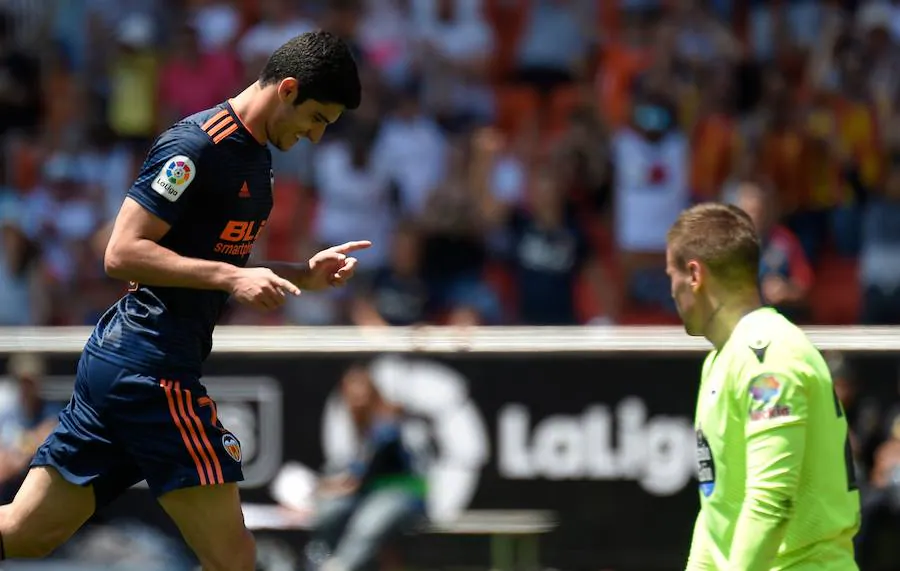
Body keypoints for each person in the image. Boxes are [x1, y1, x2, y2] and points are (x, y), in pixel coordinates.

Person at [0, 31, 364, 571]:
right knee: (234, 560)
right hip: (151, 371)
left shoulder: (256, 158)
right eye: (317, 120)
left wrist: (301, 276)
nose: (314, 136)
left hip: (126, 368)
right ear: (287, 89)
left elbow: (215, 263)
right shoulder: (196, 146)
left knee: (24, 533)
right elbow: (121, 252)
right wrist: (229, 278)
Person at [666, 203, 860, 571]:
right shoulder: (721, 361)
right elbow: (716, 509)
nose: (670, 291)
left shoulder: (768, 355)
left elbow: (771, 502)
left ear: (694, 274)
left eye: (670, 275)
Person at [306, 363, 427, 571]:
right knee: (329, 510)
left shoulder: (388, 421)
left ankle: (339, 567)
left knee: (368, 522)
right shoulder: (355, 425)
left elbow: (364, 475)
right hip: (372, 493)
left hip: (405, 491)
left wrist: (335, 486)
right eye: (351, 395)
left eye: (362, 393)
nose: (357, 400)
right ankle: (317, 562)